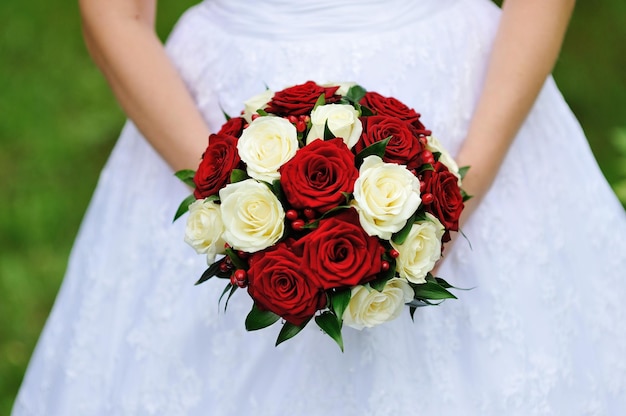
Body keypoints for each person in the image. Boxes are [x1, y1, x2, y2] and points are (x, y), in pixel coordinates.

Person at [13, 0, 626, 414]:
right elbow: (115, 14)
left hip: (468, 93)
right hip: (217, 100)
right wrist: (228, 185)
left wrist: (462, 180)